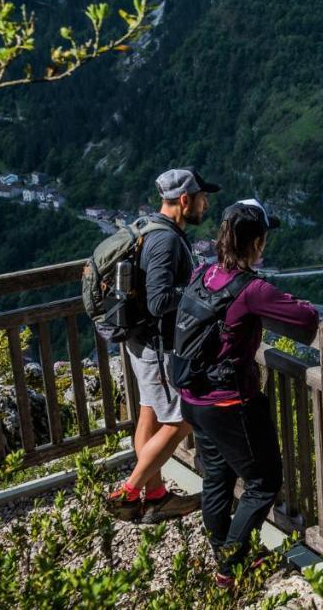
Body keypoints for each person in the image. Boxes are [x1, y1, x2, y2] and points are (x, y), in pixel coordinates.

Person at [179, 199, 319, 586]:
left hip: (194, 398)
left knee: (217, 478)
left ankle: (221, 549)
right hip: (229, 402)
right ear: (256, 242)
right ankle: (230, 565)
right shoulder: (252, 288)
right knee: (263, 482)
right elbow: (307, 319)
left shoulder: (203, 274)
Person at [107, 167, 218, 522]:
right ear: (185, 200)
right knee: (182, 417)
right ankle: (127, 492)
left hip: (140, 342)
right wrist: (200, 294)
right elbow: (158, 301)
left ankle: (155, 496)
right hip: (158, 346)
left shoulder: (147, 228)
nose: (206, 205)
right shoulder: (167, 240)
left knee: (150, 414)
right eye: (202, 199)